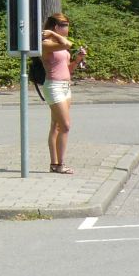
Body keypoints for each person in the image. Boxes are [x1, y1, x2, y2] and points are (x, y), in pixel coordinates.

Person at [41, 12, 87, 174]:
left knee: (57, 126)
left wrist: (78, 60)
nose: (68, 29)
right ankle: (60, 164)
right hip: (54, 87)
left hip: (66, 87)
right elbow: (67, 44)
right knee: (65, 126)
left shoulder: (61, 45)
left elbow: (67, 69)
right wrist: (53, 34)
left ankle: (54, 164)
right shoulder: (46, 43)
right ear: (56, 27)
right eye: (65, 26)